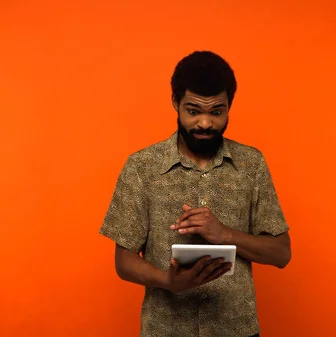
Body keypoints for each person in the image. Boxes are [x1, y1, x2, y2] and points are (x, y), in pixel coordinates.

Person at [99, 50, 292, 337]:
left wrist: (225, 234)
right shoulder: (142, 166)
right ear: (176, 102)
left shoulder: (252, 164)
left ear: (229, 105)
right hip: (165, 330)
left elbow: (281, 253)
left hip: (236, 330)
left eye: (216, 112)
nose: (205, 123)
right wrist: (167, 280)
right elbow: (123, 260)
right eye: (193, 111)